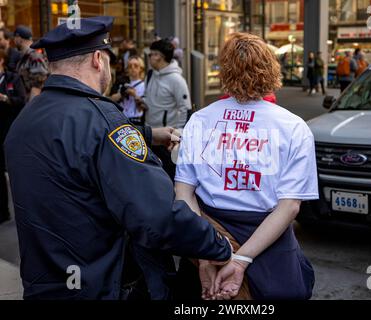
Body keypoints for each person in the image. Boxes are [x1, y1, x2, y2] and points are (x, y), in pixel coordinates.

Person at [4, 16, 233, 300]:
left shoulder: (26, 119)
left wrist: (146, 134)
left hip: (45, 283)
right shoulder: (103, 120)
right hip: (101, 285)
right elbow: (157, 217)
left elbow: (71, 146)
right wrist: (220, 246)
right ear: (98, 60)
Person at [175, 32, 317, 300]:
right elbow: (290, 206)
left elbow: (183, 194)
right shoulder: (294, 127)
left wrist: (205, 255)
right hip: (269, 242)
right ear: (271, 69)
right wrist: (240, 261)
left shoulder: (199, 120)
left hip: (207, 235)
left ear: (223, 71)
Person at [144, 38, 192, 180]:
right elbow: (149, 97)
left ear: (159, 56)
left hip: (166, 140)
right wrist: (143, 102)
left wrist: (176, 137)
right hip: (150, 135)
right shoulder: (151, 74)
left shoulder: (177, 80)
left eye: (151, 54)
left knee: (168, 177)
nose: (149, 58)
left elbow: (186, 109)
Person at [0, 48, 26, 224]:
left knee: (16, 172)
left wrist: (4, 98)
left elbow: (21, 99)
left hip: (10, 130)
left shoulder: (13, 78)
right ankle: (3, 212)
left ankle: (25, 210)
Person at [14, 25, 49, 101]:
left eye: (15, 37)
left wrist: (30, 107)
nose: (14, 40)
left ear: (19, 38)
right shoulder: (24, 57)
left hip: (32, 102)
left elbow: (38, 84)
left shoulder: (34, 57)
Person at [110, 55, 147, 125]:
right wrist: (122, 93)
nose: (133, 68)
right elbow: (111, 99)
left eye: (136, 66)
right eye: (130, 66)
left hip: (137, 120)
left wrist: (135, 95)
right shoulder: (121, 82)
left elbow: (144, 107)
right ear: (127, 69)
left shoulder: (144, 85)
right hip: (121, 119)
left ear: (141, 69)